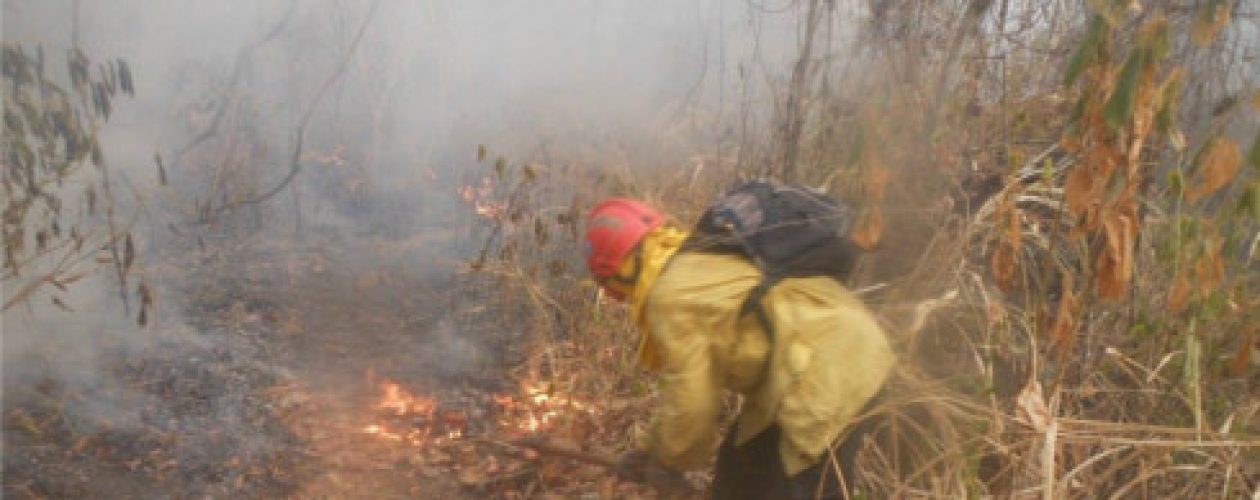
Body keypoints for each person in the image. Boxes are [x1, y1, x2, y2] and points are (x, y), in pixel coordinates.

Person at [583, 196, 895, 499]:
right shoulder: (697, 259)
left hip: (829, 370)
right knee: (739, 471)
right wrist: (648, 449)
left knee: (806, 485)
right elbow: (685, 387)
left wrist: (669, 462)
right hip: (812, 359)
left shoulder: (669, 296)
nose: (617, 298)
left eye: (611, 287)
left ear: (620, 271)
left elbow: (693, 398)